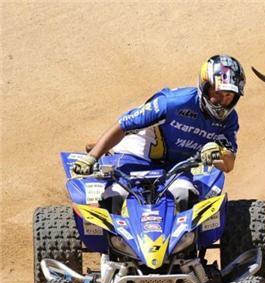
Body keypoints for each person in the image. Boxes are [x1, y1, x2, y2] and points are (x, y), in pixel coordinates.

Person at [72, 54, 245, 211]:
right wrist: (93, 157)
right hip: (134, 159)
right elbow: (122, 125)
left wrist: (218, 152)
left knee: (186, 196)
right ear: (205, 86)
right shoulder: (171, 103)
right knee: (114, 198)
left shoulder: (229, 120)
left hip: (175, 168)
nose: (222, 101)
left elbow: (228, 165)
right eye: (217, 93)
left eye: (229, 95)